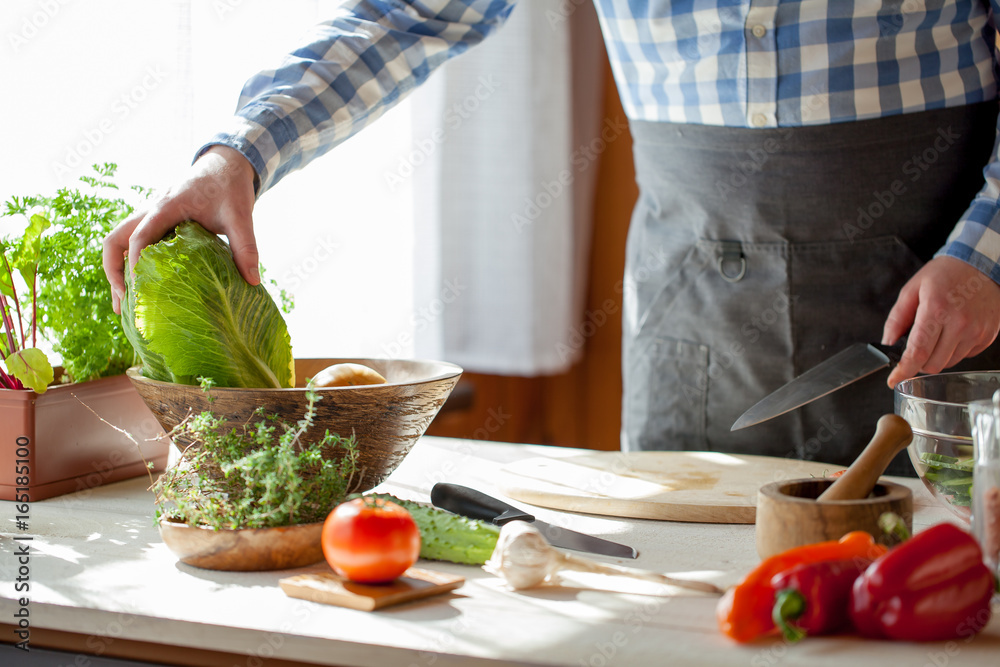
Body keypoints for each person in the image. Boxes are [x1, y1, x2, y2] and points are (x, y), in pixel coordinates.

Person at [104, 1, 1000, 474]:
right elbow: (408, 12)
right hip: (694, 333)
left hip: (950, 308)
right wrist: (241, 151)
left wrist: (987, 255)